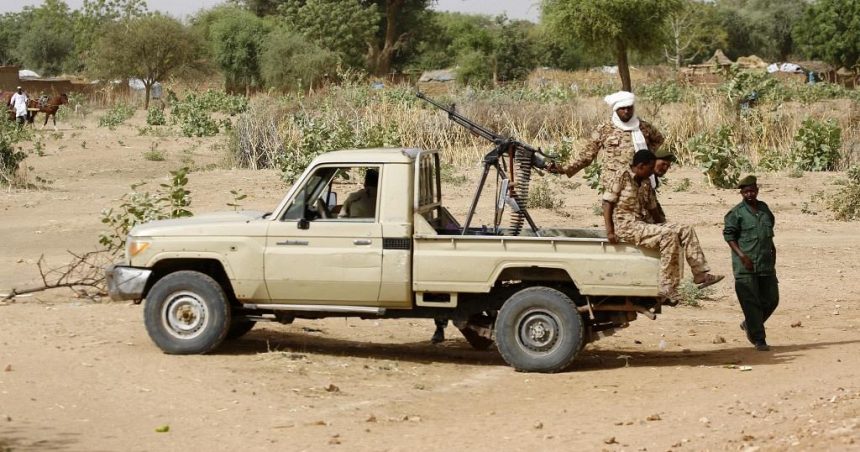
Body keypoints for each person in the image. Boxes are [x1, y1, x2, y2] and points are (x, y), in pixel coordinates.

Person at [603, 149, 724, 305]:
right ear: (640, 166)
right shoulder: (622, 176)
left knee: (685, 229)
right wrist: (610, 231)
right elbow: (607, 203)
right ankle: (667, 287)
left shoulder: (646, 182)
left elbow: (653, 209)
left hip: (643, 224)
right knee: (668, 235)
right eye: (650, 167)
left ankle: (700, 274)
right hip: (627, 226)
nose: (652, 171)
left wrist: (664, 224)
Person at [548, 91, 664, 193]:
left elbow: (659, 139)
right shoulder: (604, 129)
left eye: (629, 108)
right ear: (616, 109)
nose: (626, 111)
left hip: (641, 182)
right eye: (622, 108)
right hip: (614, 184)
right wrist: (564, 168)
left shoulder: (643, 127)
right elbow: (587, 155)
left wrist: (646, 155)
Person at [723, 175, 778, 352]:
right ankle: (759, 339)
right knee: (751, 303)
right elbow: (729, 236)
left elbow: (769, 231)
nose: (750, 194)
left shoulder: (764, 208)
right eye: (746, 192)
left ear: (757, 190)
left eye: (752, 191)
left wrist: (773, 252)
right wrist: (742, 256)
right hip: (745, 266)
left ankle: (750, 324)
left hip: (765, 263)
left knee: (772, 300)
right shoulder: (736, 213)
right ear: (741, 193)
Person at [641, 148, 676, 224]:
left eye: (667, 166)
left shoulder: (652, 178)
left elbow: (654, 204)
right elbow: (652, 208)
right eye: (663, 164)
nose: (665, 168)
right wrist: (661, 223)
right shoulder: (643, 178)